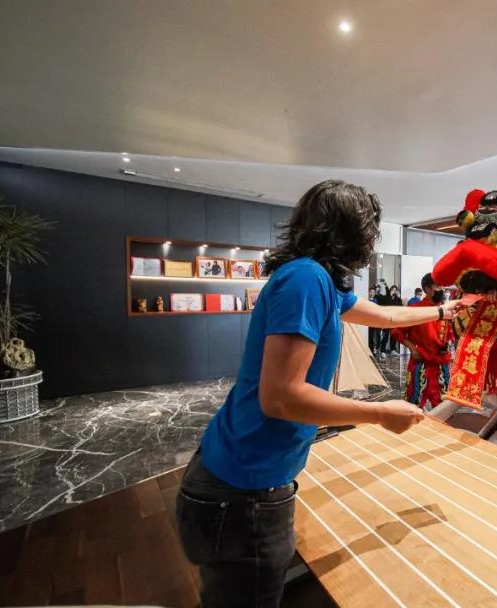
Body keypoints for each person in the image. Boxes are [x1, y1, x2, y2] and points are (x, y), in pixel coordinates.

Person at [175, 180, 460, 607]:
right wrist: (381, 414)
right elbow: (282, 397)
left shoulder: (317, 279)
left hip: (239, 478)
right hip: (242, 491)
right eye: (370, 232)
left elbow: (384, 316)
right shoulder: (306, 280)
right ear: (350, 232)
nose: (372, 242)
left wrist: (443, 310)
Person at [391, 273, 453, 411]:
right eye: (438, 286)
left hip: (441, 364)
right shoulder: (416, 309)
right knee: (413, 404)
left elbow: (450, 334)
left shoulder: (446, 309)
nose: (442, 289)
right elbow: (396, 330)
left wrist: (447, 344)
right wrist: (412, 348)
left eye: (442, 286)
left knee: (444, 407)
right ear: (427, 289)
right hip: (421, 363)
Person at [379, 284, 403, 356]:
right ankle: (382, 351)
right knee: (385, 336)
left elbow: (400, 307)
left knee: (393, 335)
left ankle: (393, 350)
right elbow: (386, 304)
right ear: (390, 290)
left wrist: (399, 298)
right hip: (387, 319)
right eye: (393, 289)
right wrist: (389, 295)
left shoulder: (397, 299)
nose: (394, 291)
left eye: (395, 290)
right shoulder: (387, 297)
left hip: (394, 319)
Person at [367, 286, 381, 354]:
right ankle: (371, 350)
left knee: (375, 336)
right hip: (368, 321)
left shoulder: (376, 301)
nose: (372, 293)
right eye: (371, 292)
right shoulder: (366, 300)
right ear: (368, 292)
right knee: (370, 336)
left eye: (373, 292)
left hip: (374, 321)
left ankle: (375, 350)